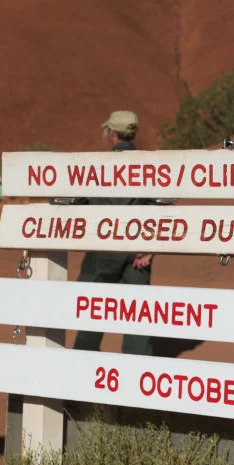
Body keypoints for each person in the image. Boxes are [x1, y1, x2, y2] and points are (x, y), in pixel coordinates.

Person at [73, 110, 155, 356]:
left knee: (92, 313)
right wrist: (150, 248)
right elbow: (160, 209)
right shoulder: (150, 165)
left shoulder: (98, 166)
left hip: (102, 250)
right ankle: (136, 380)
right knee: (137, 317)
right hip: (138, 253)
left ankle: (81, 376)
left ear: (111, 133)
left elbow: (80, 205)